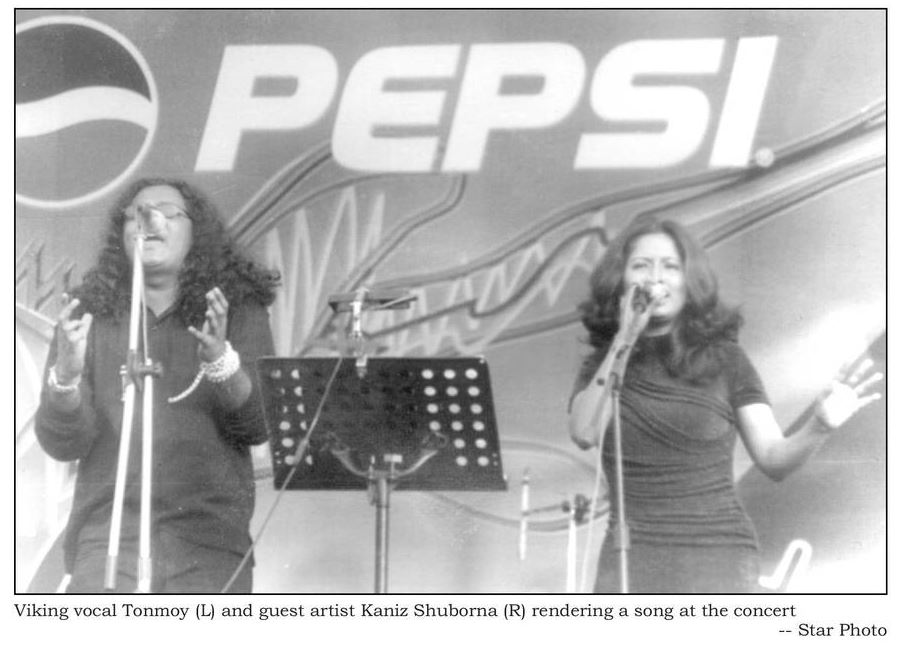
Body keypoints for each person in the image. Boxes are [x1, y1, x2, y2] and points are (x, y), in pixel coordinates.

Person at [568, 215, 881, 593]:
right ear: (621, 280)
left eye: (670, 267)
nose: (655, 278)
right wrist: (624, 337)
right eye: (641, 266)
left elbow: (774, 458)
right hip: (629, 560)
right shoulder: (601, 365)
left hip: (717, 559)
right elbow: (584, 433)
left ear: (689, 281)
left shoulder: (725, 359)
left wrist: (820, 425)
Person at [35, 178, 280, 593]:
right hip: (108, 536)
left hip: (209, 540)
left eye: (168, 212)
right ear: (123, 236)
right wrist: (66, 380)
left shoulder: (236, 309)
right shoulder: (88, 313)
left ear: (195, 233)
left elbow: (258, 425)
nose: (150, 220)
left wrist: (220, 362)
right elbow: (64, 444)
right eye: (137, 214)